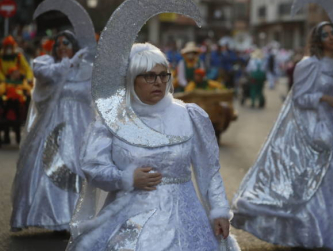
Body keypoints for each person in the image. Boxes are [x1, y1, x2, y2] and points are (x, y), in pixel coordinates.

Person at [67, 43, 238, 250]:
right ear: (131, 80)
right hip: (128, 219)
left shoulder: (187, 115)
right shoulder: (113, 120)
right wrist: (126, 178)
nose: (158, 82)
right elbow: (93, 167)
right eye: (149, 76)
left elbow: (209, 169)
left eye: (163, 75)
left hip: (183, 218)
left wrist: (219, 210)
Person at [231, 22, 333, 250]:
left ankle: (327, 233)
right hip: (308, 131)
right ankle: (304, 233)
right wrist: (323, 99)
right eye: (325, 34)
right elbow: (299, 98)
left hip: (330, 129)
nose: (331, 37)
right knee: (307, 181)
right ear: (318, 40)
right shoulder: (309, 64)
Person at [10, 30, 94, 231]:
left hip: (80, 126)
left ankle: (75, 217)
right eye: (58, 44)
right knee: (47, 165)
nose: (62, 46)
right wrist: (69, 63)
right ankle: (51, 216)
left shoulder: (88, 69)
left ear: (74, 45)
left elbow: (94, 95)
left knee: (78, 167)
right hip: (52, 124)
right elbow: (43, 74)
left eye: (67, 42)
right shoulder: (47, 63)